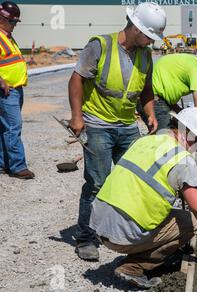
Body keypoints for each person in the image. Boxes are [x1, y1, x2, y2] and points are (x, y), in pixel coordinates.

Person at [90, 108, 197, 289]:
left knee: (172, 209)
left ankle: (146, 246)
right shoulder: (183, 159)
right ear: (191, 136)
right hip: (121, 235)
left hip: (99, 223)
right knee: (191, 223)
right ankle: (133, 267)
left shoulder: (145, 140)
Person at [68, 3, 166, 261]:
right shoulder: (100, 45)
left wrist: (150, 114)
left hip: (126, 126)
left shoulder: (145, 55)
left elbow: (145, 90)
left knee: (132, 179)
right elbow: (76, 78)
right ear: (135, 28)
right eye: (148, 36)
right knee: (97, 183)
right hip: (97, 124)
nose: (150, 42)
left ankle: (121, 231)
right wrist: (77, 117)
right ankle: (86, 237)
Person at [0, 1, 34, 179]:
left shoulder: (5, 35)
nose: (14, 25)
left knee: (4, 126)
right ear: (0, 17)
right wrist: (2, 81)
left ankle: (2, 164)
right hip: (4, 89)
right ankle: (18, 167)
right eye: (12, 22)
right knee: (13, 126)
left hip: (13, 89)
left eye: (15, 22)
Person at [140, 46, 197, 130]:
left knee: (162, 132)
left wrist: (179, 111)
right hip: (154, 101)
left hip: (147, 96)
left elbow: (167, 90)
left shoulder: (188, 59)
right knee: (165, 136)